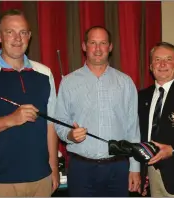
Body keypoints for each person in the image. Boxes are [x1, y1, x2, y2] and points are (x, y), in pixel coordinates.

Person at [0, 9, 59, 197]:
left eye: (23, 32)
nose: (17, 38)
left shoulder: (45, 74)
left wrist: (53, 168)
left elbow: (50, 125)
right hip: (0, 181)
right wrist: (11, 119)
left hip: (41, 178)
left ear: (29, 36)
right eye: (10, 32)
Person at [55, 26, 141, 197]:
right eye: (93, 43)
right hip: (81, 169)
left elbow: (133, 129)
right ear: (84, 46)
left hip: (118, 168)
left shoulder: (125, 82)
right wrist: (70, 135)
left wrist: (135, 168)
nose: (98, 48)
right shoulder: (68, 82)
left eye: (103, 43)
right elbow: (59, 123)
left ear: (110, 47)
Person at [138, 42, 174, 197]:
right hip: (152, 176)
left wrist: (172, 149)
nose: (162, 64)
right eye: (157, 59)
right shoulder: (141, 97)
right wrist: (140, 172)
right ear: (151, 66)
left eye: (168, 59)